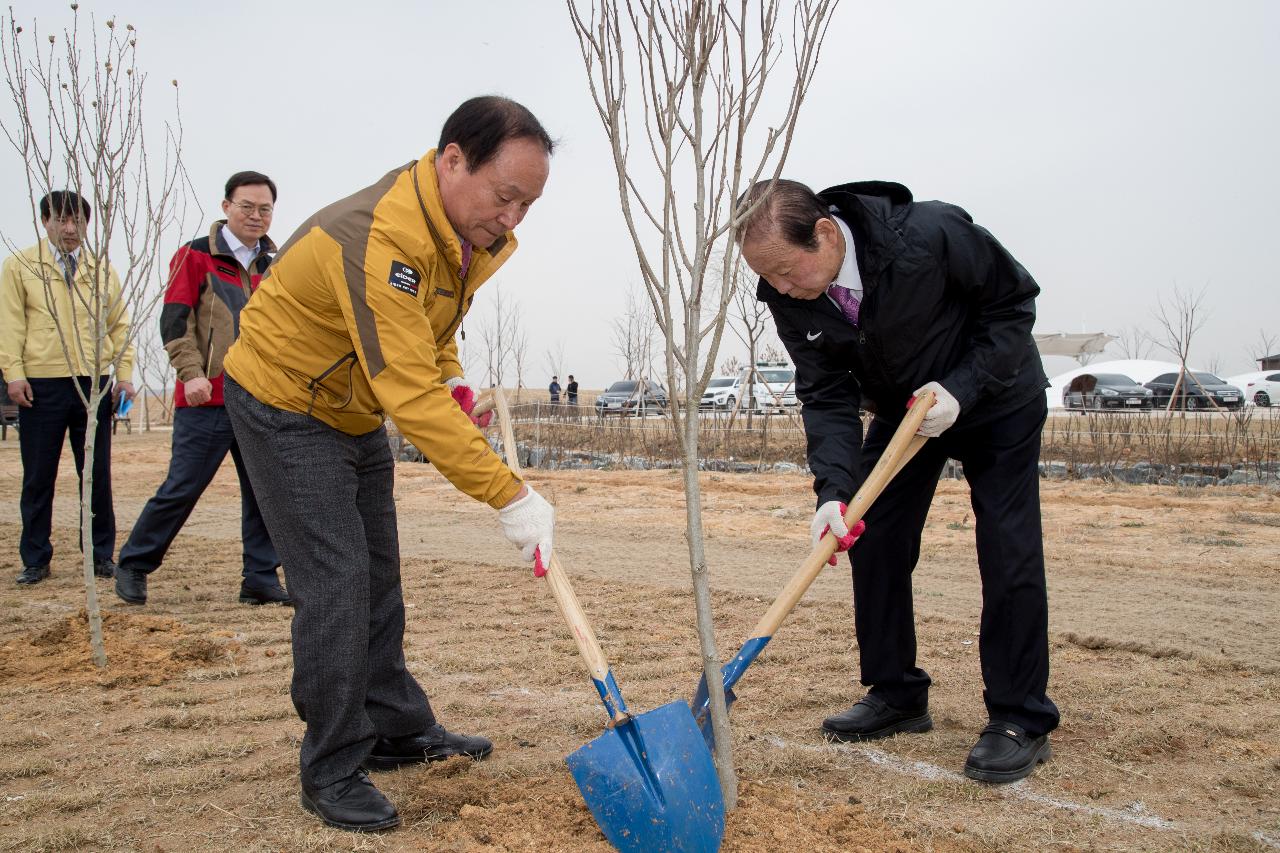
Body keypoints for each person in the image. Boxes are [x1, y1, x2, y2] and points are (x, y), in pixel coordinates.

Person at [221, 96, 557, 833]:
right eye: (505, 197)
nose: (512, 219)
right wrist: (509, 493)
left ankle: (396, 725)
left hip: (350, 399)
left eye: (527, 205)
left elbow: (428, 333)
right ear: (453, 160)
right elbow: (408, 389)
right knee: (336, 579)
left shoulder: (463, 236)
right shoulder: (382, 237)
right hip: (283, 399)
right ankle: (333, 763)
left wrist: (455, 375)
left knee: (378, 570)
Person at [738, 178, 1058, 784]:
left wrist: (961, 388)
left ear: (827, 234)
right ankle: (896, 693)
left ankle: (1020, 717)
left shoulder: (930, 233)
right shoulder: (786, 294)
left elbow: (1013, 306)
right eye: (767, 277)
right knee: (873, 536)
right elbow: (826, 394)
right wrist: (834, 492)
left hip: (997, 398)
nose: (779, 288)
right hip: (902, 414)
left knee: (1007, 549)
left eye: (785, 270)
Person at [114, 172, 288, 607]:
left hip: (261, 399)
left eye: (264, 208)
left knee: (266, 492)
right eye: (246, 206)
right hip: (205, 395)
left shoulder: (278, 264)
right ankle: (134, 563)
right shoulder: (195, 256)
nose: (255, 215)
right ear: (226, 206)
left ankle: (260, 578)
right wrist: (190, 372)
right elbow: (174, 320)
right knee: (183, 486)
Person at [0, 191, 135, 585]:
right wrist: (13, 374)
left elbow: (119, 327)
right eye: (61, 219)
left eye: (78, 220)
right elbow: (9, 325)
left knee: (95, 475)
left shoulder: (101, 269)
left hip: (94, 385)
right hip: (40, 384)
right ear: (45, 221)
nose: (70, 228)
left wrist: (123, 374)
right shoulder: (21, 266)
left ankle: (99, 555)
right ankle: (35, 559)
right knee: (39, 476)